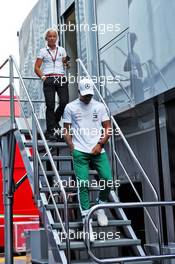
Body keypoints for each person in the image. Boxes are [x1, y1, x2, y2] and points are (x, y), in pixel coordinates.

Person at [63, 78, 112, 241]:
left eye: (90, 95)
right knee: (83, 184)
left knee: (107, 179)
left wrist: (100, 143)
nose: (88, 97)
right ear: (78, 92)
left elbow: (108, 128)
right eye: (85, 95)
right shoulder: (70, 107)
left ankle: (100, 206)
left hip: (98, 149)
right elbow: (66, 130)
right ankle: (86, 220)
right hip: (80, 152)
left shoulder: (99, 106)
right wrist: (72, 148)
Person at [34, 28, 69, 141]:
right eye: (50, 36)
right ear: (46, 38)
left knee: (64, 102)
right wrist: (43, 77)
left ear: (57, 38)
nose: (52, 38)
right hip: (48, 78)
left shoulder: (62, 50)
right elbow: (36, 68)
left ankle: (55, 119)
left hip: (61, 78)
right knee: (50, 105)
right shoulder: (43, 51)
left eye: (54, 36)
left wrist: (67, 63)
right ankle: (50, 131)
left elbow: (66, 65)